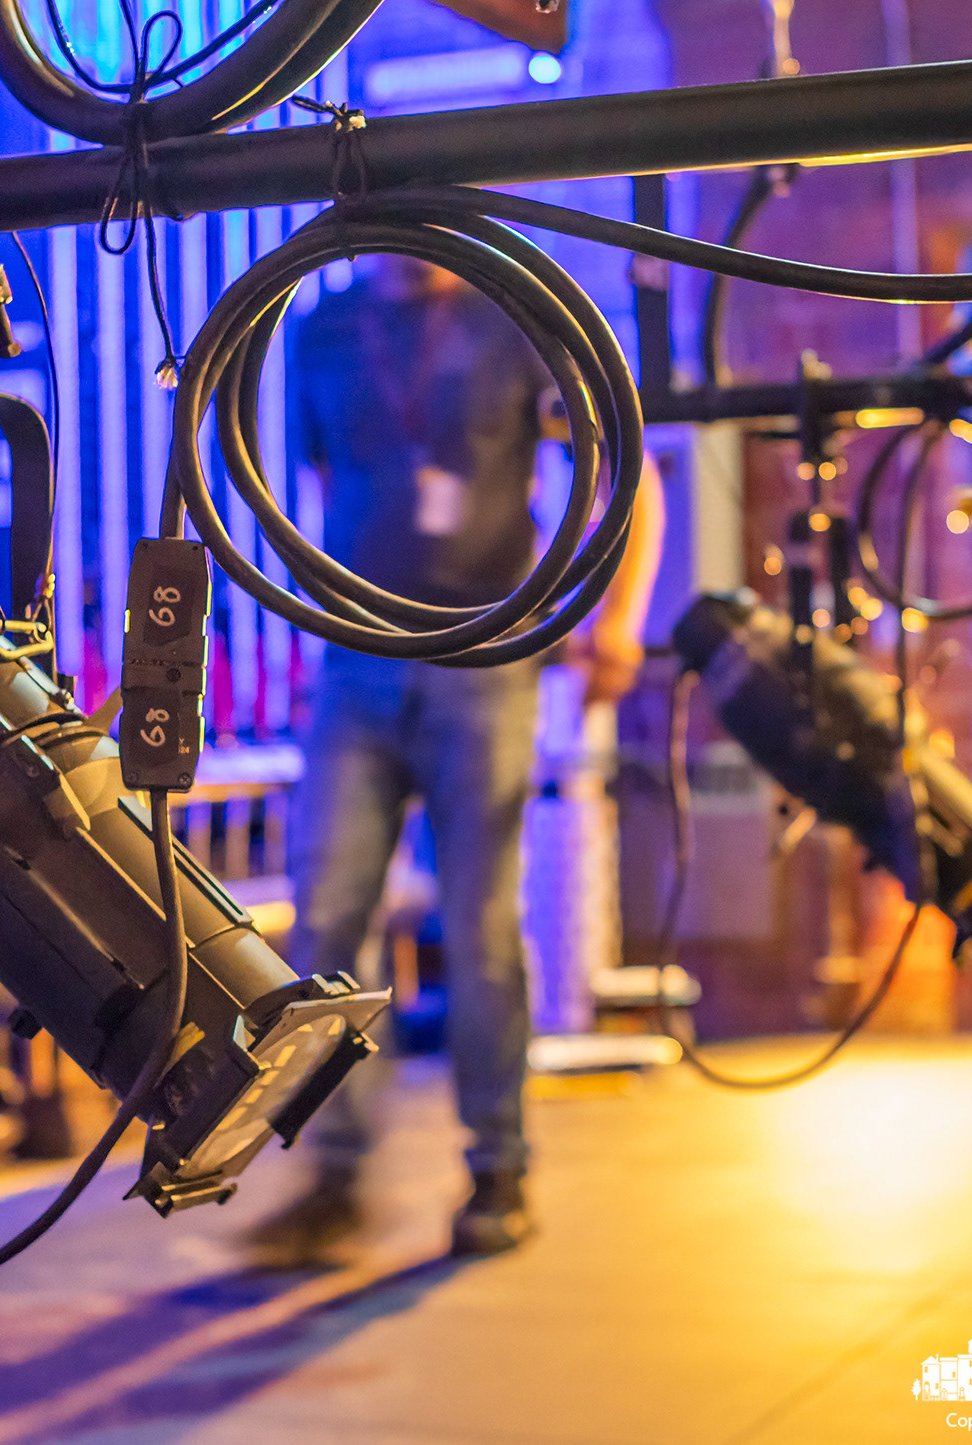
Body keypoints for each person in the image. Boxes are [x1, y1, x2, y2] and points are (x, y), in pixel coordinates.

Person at [244, 253, 664, 1263]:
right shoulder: (325, 329)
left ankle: (499, 1168)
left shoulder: (512, 318)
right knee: (327, 919)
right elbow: (324, 480)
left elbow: (624, 466)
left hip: (485, 655)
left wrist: (621, 620)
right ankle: (335, 1179)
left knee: (478, 927)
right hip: (356, 659)